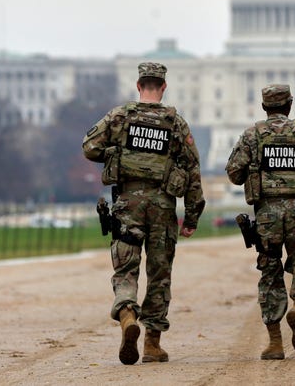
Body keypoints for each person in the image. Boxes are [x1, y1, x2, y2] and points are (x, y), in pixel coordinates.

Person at [82, 62, 205, 365]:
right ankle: (152, 344)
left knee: (126, 267)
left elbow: (90, 147)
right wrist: (191, 217)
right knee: (159, 274)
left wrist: (117, 154)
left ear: (139, 86)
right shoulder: (176, 123)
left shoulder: (121, 116)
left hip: (128, 204)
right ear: (163, 87)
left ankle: (126, 313)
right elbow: (192, 170)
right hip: (163, 207)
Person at [225, 84, 295, 360]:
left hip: (267, 215)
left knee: (270, 273)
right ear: (289, 105)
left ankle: (275, 343)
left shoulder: (252, 135)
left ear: (264, 107)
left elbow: (234, 173)